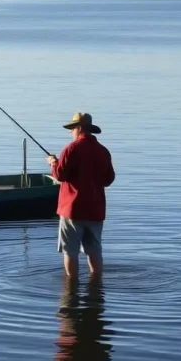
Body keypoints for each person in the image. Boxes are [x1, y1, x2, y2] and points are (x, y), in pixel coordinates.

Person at [46, 112, 115, 279]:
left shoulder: (71, 149)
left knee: (70, 250)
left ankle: (71, 287)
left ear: (78, 128)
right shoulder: (103, 151)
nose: (70, 132)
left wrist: (53, 162)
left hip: (73, 210)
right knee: (94, 250)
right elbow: (109, 179)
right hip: (95, 210)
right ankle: (96, 284)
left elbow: (60, 176)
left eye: (71, 128)